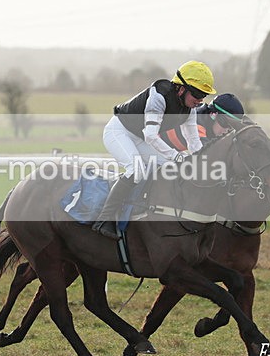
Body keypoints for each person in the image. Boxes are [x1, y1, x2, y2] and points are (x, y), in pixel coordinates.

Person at [91, 60, 216, 239]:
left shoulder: (190, 109)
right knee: (137, 170)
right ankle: (105, 218)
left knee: (169, 166)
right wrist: (177, 156)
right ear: (181, 88)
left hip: (139, 137)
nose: (200, 100)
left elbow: (194, 142)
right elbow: (151, 135)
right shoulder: (159, 95)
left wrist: (203, 164)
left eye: (204, 95)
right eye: (197, 93)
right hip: (119, 131)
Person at [161, 93, 245, 152]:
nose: (227, 130)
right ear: (213, 115)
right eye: (225, 123)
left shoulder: (208, 121)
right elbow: (206, 155)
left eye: (233, 127)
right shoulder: (197, 124)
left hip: (168, 149)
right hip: (152, 145)